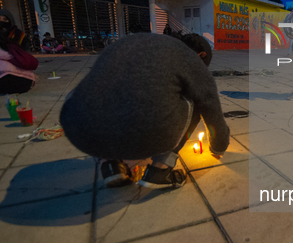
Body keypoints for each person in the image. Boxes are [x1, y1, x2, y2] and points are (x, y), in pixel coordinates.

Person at [60, 33, 230, 189]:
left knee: (103, 93)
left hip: (79, 129)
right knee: (198, 97)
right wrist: (218, 148)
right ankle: (160, 169)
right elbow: (212, 111)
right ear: (202, 56)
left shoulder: (138, 44)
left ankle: (111, 164)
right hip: (148, 134)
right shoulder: (191, 60)